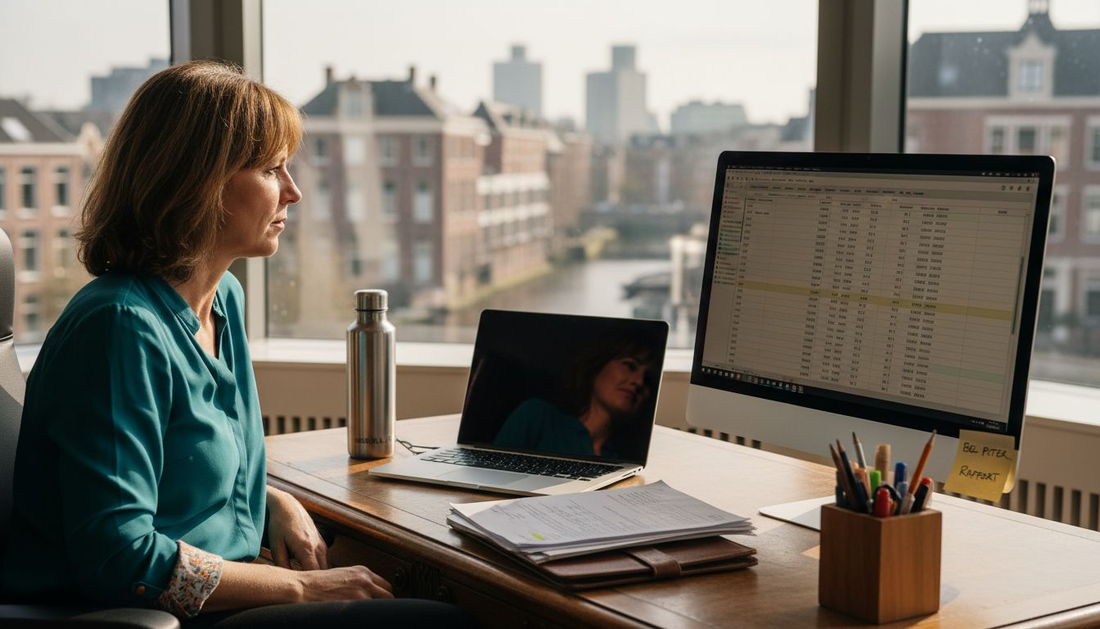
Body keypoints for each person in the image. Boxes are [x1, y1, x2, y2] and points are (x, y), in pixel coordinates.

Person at [0, 61, 472, 628]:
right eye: (272, 170)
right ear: (197, 181)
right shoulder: (120, 326)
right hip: (146, 613)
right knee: (442, 620)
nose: (293, 192)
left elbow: (193, 472)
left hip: (230, 583)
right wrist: (300, 587)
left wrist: (274, 500)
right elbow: (118, 559)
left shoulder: (223, 297)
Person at [493, 332, 661, 458]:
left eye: (648, 380)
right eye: (630, 365)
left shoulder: (624, 460)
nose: (639, 382)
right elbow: (492, 473)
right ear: (597, 365)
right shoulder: (537, 416)